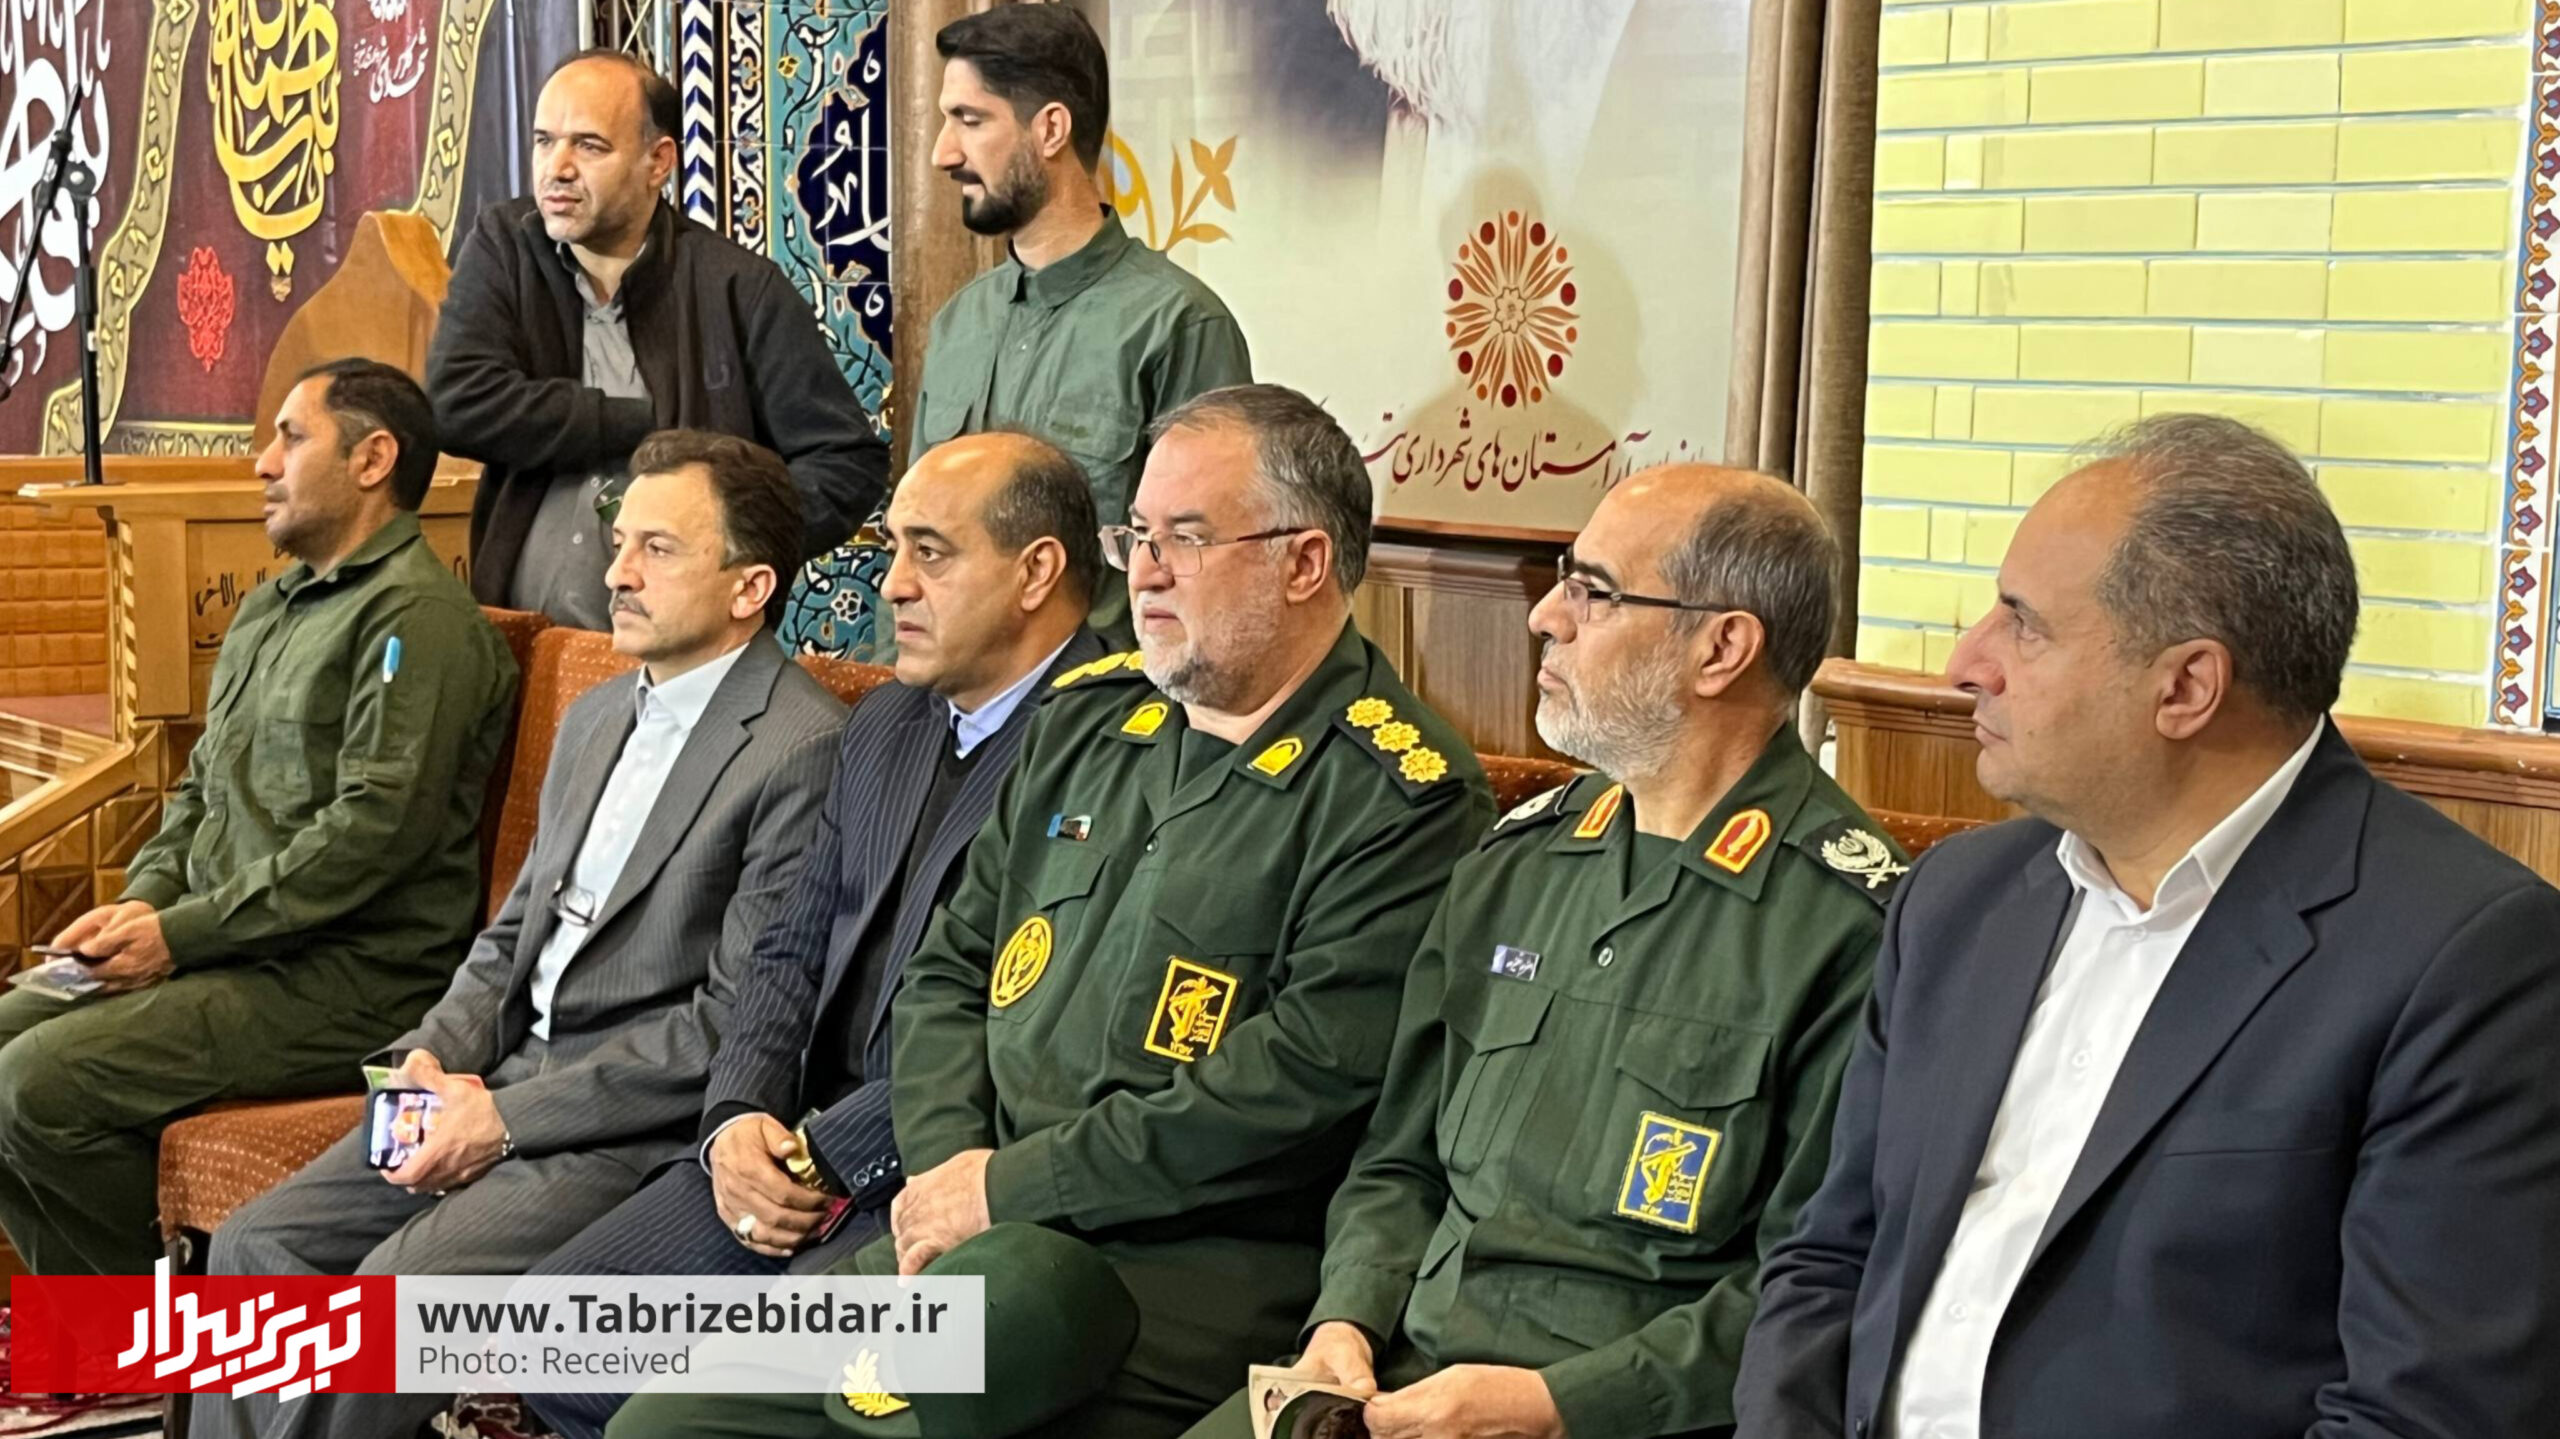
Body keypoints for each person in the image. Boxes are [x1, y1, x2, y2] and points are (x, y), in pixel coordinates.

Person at [607, 384, 1494, 1439]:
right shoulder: (1089, 720)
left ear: (1302, 563)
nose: (1146, 570)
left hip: (1176, 1257)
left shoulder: (1399, 793)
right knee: (666, 1421)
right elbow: (948, 969)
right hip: (973, 1216)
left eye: (1186, 538)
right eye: (1139, 536)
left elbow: (1293, 1083)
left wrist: (1010, 1188)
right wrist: (952, 1173)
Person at [1735, 414, 2560, 1439]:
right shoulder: (1956, 899)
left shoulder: (2464, 958)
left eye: (2022, 624)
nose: (1966, 662)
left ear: (2185, 686)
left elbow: (2425, 1415)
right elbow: (1828, 1258)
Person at [1185, 466, 1901, 1439]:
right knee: (979, 1330)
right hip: (1383, 1365)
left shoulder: (1849, 925)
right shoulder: (1517, 861)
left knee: (992, 1324)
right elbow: (1400, 1160)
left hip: (1609, 1409)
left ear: (1722, 648)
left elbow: (1810, 1280)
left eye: (1594, 592)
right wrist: (1346, 1320)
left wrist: (1556, 1405)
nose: (1544, 615)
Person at [189, 431, 846, 1435]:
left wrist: (502, 1119)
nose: (617, 574)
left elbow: (726, 1026)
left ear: (750, 587)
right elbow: (508, 941)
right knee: (253, 1244)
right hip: (484, 1078)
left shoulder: (800, 747)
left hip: (615, 1122)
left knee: (389, 1302)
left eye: (658, 549)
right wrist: (426, 1060)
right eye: (619, 543)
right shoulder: (596, 715)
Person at [520, 430, 1108, 1439]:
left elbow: (1028, 1030)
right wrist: (737, 1115)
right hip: (787, 1135)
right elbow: (785, 952)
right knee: (551, 1337)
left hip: (937, 1167)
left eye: (931, 553)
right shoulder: (887, 722)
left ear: (1035, 571)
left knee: (699, 1411)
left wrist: (826, 1156)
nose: (893, 585)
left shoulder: (1106, 747)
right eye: (894, 548)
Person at [0, 359, 517, 1276]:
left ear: (373, 460)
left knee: (35, 1084)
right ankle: (94, 1336)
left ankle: (154, 1336)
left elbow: (372, 834)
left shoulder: (417, 619)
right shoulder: (269, 609)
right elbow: (200, 788)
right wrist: (144, 901)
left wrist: (179, 935)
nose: (262, 463)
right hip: (232, 950)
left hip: (347, 976)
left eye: (291, 436)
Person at [430, 48, 889, 630]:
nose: (557, 168)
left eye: (589, 146)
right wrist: (637, 424)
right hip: (523, 642)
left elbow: (846, 463)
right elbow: (457, 401)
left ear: (658, 161)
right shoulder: (507, 247)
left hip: (687, 655)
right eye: (544, 142)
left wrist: (729, 543)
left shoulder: (738, 288)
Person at [915, 5, 1252, 638]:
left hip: (1106, 694)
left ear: (1050, 130)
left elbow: (1204, 571)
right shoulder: (960, 322)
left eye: (969, 119)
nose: (942, 153)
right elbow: (916, 539)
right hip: (950, 691)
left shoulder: (1178, 324)